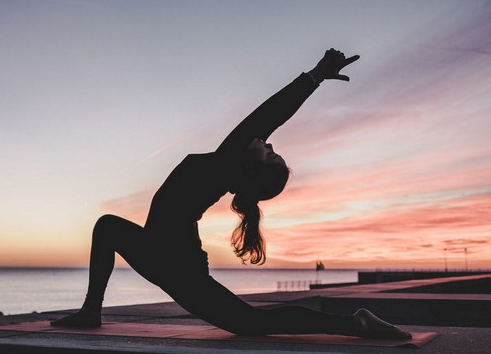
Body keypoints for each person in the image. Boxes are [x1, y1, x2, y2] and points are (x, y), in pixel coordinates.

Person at [52, 49, 412, 339]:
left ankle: (354, 324)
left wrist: (315, 76)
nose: (267, 142)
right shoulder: (225, 169)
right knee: (107, 227)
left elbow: (268, 115)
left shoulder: (226, 164)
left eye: (270, 152)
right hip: (161, 254)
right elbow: (266, 123)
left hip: (175, 265)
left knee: (251, 325)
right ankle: (91, 311)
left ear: (251, 170)